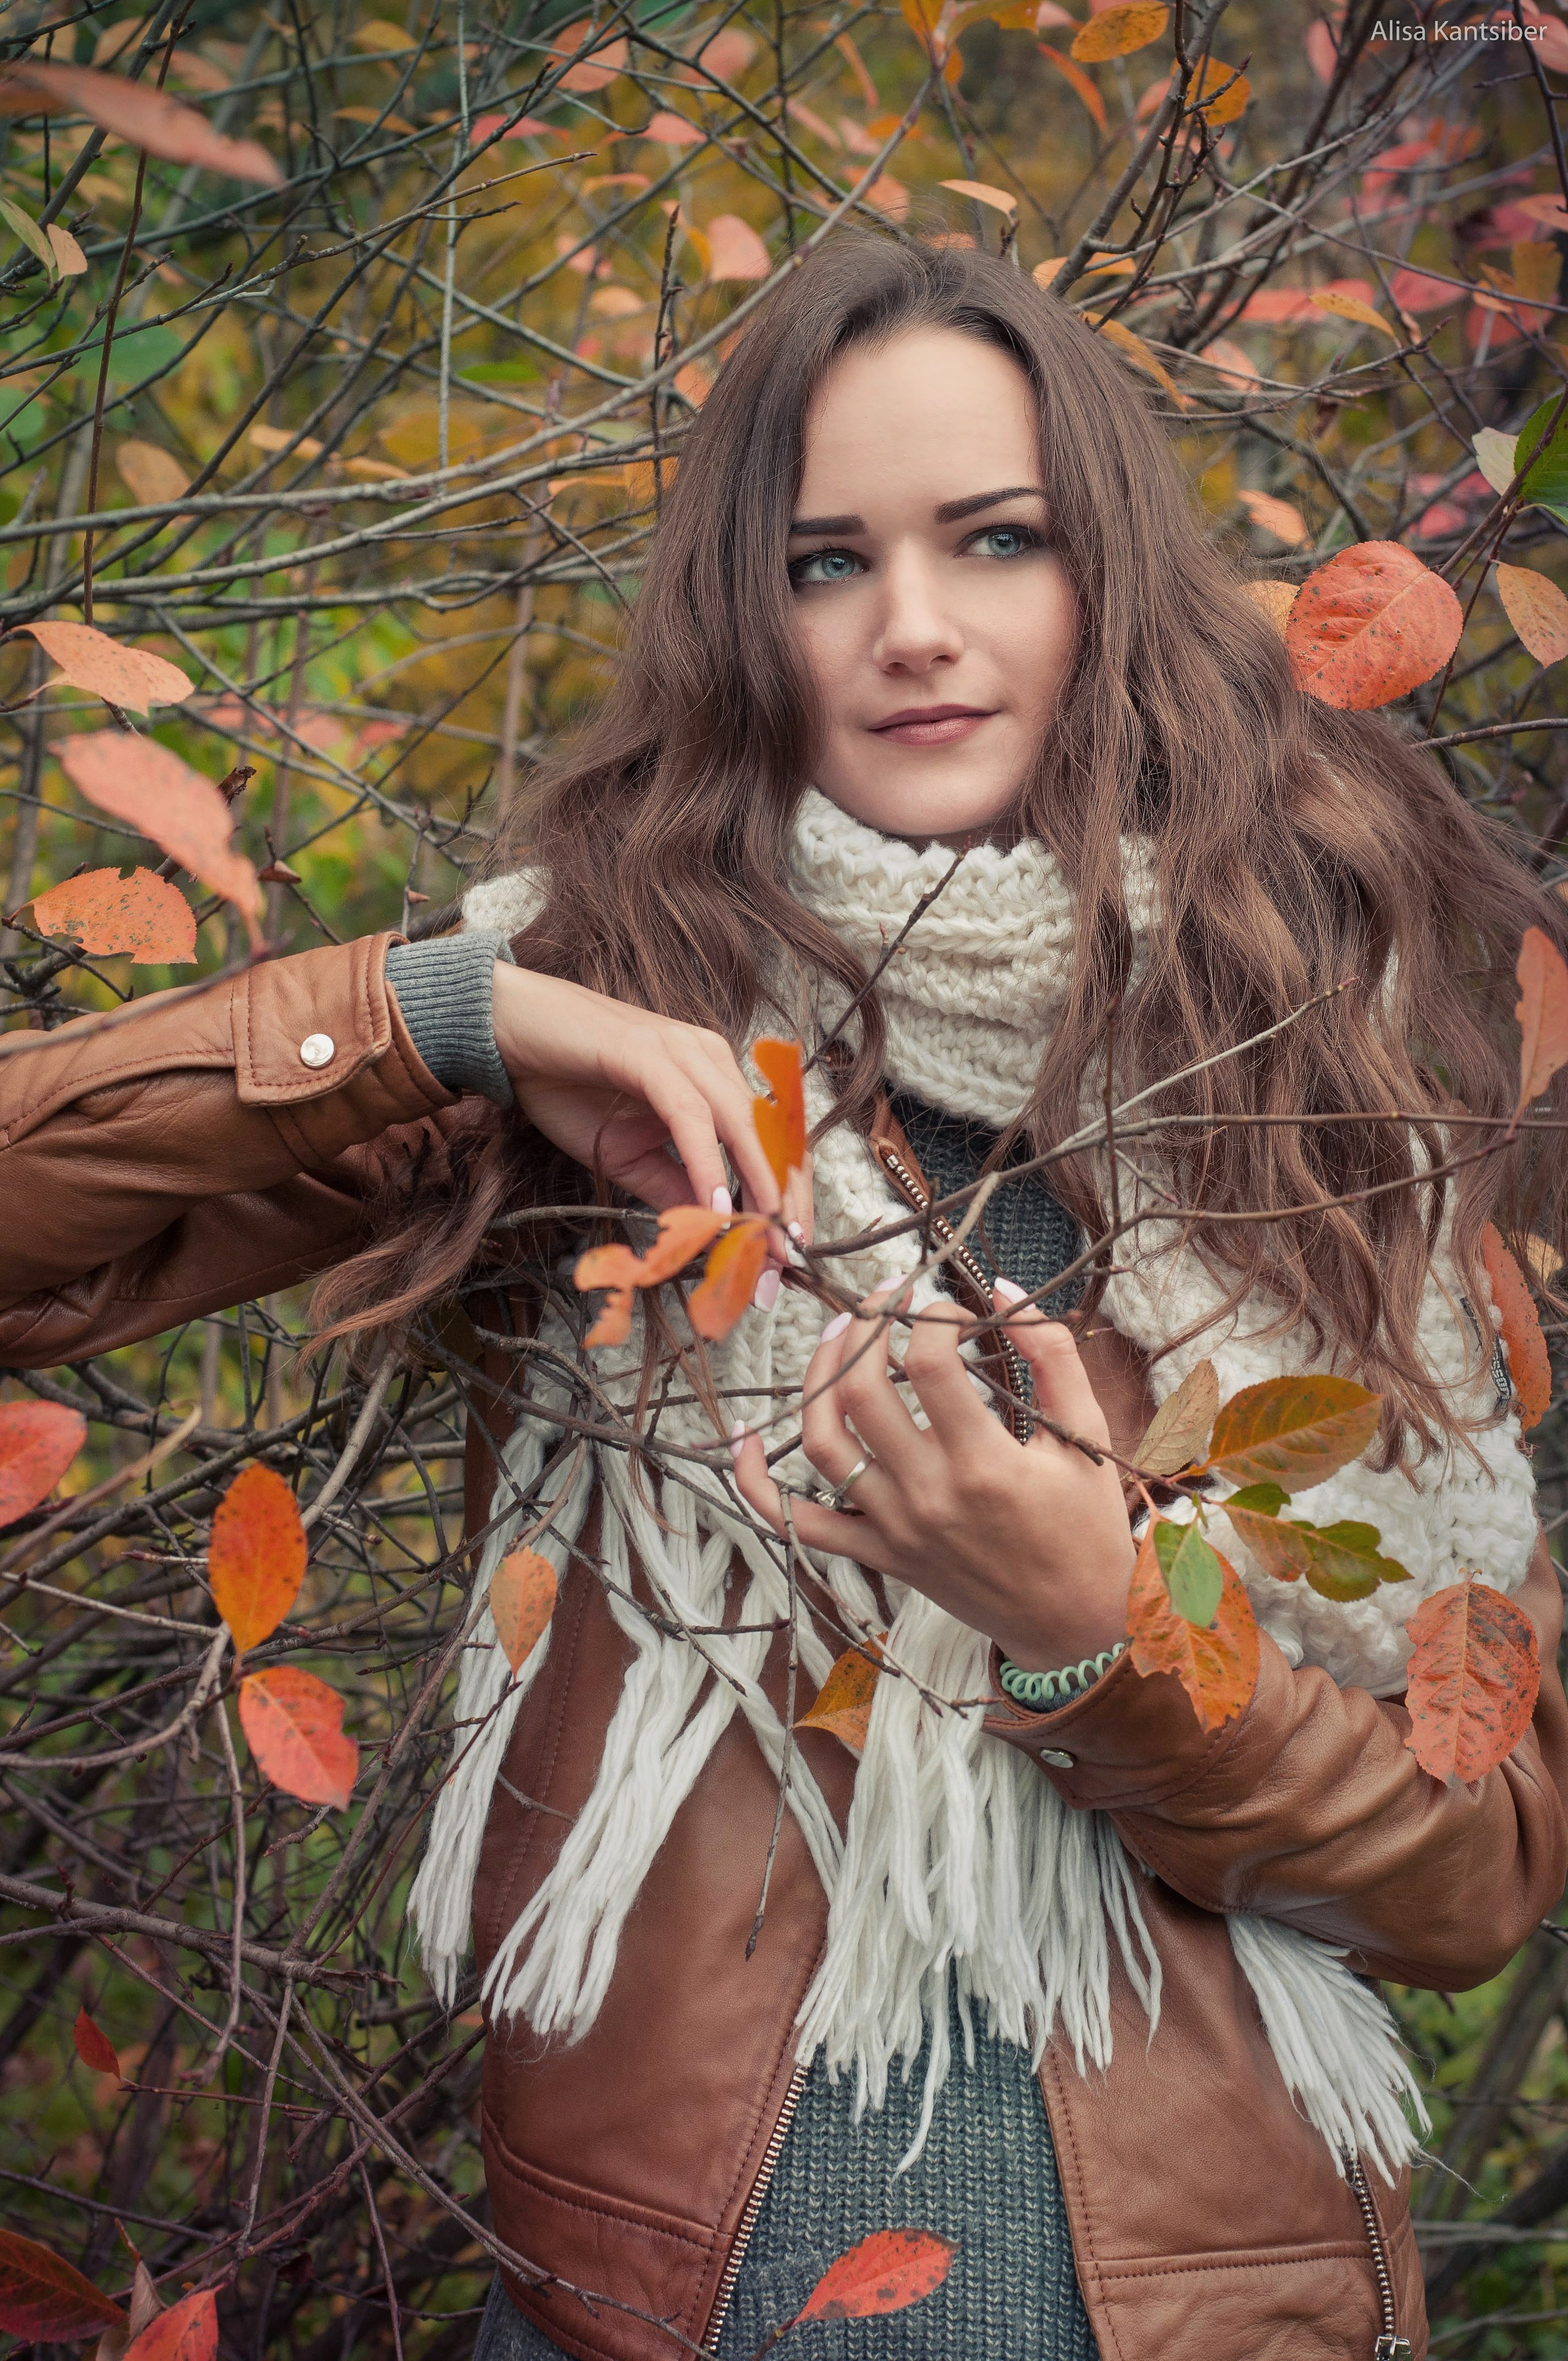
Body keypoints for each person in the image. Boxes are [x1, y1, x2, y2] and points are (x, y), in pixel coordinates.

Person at [2, 237, 1565, 2361]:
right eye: (828, 563)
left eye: (995, 540)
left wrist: (1097, 1632)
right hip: (651, 2311)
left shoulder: (1330, 1083)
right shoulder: (600, 1029)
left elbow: (1463, 1889)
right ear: (750, 617)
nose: (914, 630)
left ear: (1105, 572)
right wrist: (424, 1016)